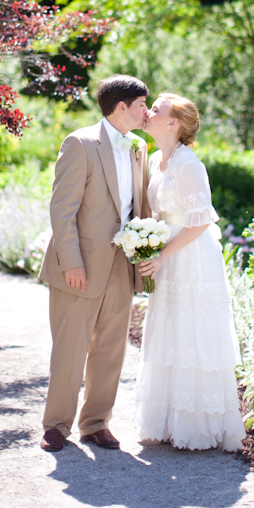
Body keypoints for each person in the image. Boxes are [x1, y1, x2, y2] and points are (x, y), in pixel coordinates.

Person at [39, 74, 151, 451]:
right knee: (70, 349)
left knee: (111, 349)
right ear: (122, 107)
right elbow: (62, 209)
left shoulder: (138, 147)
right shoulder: (80, 143)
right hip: (80, 266)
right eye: (141, 105)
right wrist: (71, 261)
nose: (146, 112)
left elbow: (138, 207)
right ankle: (56, 425)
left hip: (121, 265)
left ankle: (96, 423)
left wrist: (145, 254)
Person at [135, 93, 246, 451]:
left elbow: (200, 220)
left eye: (155, 109)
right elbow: (158, 212)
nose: (147, 112)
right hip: (166, 255)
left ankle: (199, 424)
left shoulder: (189, 164)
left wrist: (164, 254)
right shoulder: (156, 160)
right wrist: (144, 240)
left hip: (192, 257)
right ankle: (168, 420)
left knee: (193, 331)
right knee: (170, 330)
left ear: (173, 123)